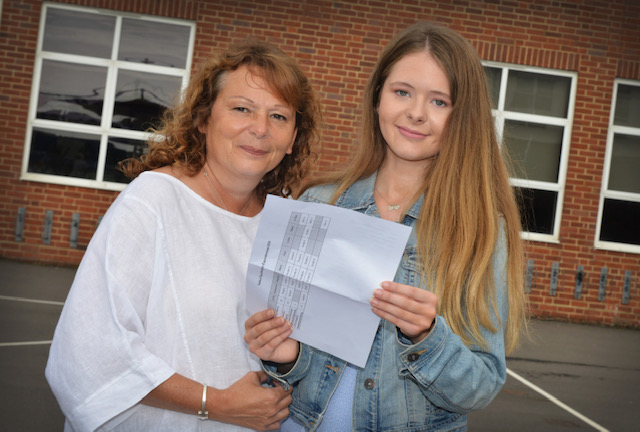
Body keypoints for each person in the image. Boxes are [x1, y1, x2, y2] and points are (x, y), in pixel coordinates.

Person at [244, 21, 527, 431]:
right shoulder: (321, 204)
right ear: (377, 97)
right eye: (402, 92)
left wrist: (427, 335)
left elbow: (479, 388)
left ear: (461, 117)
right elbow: (295, 363)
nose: (416, 112)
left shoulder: (478, 231)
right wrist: (283, 355)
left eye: (440, 102)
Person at [45, 40, 321, 431]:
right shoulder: (153, 201)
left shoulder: (291, 224)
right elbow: (90, 348)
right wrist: (218, 404)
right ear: (203, 119)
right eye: (242, 108)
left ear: (293, 138)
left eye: (279, 116)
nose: (260, 129)